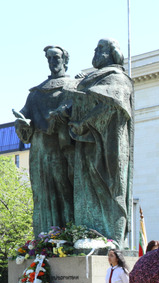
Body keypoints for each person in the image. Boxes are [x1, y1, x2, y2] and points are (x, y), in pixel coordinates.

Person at [68, 38, 133, 244]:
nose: (95, 52)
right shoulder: (92, 79)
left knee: (109, 186)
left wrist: (84, 121)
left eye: (100, 49)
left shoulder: (117, 77)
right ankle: (87, 235)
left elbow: (110, 105)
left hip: (107, 143)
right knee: (86, 189)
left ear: (111, 53)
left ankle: (111, 239)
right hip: (87, 142)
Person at [13, 45, 76, 235]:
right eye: (49, 58)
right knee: (42, 193)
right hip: (39, 148)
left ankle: (70, 234)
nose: (52, 62)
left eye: (56, 57)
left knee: (64, 190)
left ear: (65, 60)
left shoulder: (73, 87)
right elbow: (24, 118)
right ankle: (45, 236)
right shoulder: (36, 93)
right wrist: (22, 123)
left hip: (61, 146)